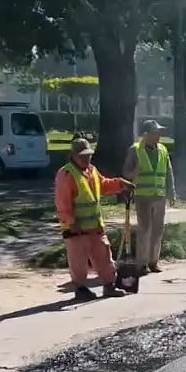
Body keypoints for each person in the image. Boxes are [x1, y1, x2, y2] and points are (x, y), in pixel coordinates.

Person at [57, 137, 133, 302]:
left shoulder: (91, 170)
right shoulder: (66, 174)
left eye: (89, 155)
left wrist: (120, 184)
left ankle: (109, 285)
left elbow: (104, 184)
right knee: (78, 262)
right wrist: (72, 222)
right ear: (74, 156)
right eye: (83, 156)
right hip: (76, 229)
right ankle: (80, 289)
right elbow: (62, 203)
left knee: (104, 256)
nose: (87, 158)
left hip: (95, 227)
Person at [123, 119, 174, 273]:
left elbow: (168, 173)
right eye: (155, 132)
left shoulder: (163, 150)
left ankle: (153, 262)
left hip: (159, 196)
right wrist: (135, 173)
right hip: (143, 197)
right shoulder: (135, 150)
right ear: (146, 134)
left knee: (157, 230)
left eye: (159, 132)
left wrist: (171, 193)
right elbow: (126, 173)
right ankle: (142, 263)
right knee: (145, 230)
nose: (158, 135)